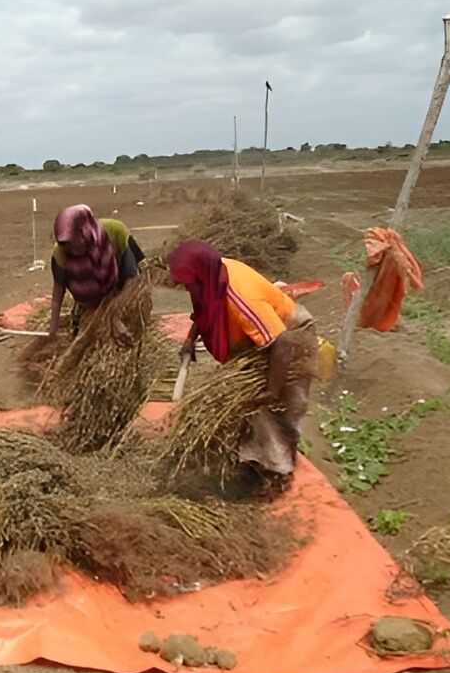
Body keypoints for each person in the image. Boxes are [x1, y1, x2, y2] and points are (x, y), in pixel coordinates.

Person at [166, 239, 316, 477]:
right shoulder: (214, 272)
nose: (187, 290)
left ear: (201, 277)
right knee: (250, 411)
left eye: (188, 284)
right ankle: (251, 455)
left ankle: (276, 472)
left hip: (289, 338)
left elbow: (283, 343)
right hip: (259, 341)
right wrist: (189, 339)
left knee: (275, 409)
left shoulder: (239, 299)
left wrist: (272, 390)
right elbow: (203, 307)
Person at [47, 204, 145, 338]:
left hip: (119, 272)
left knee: (128, 306)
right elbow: (58, 294)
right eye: (66, 244)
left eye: (74, 242)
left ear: (85, 230)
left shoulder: (113, 233)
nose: (71, 248)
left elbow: (131, 283)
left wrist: (115, 318)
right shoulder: (61, 253)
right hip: (91, 294)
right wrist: (53, 330)